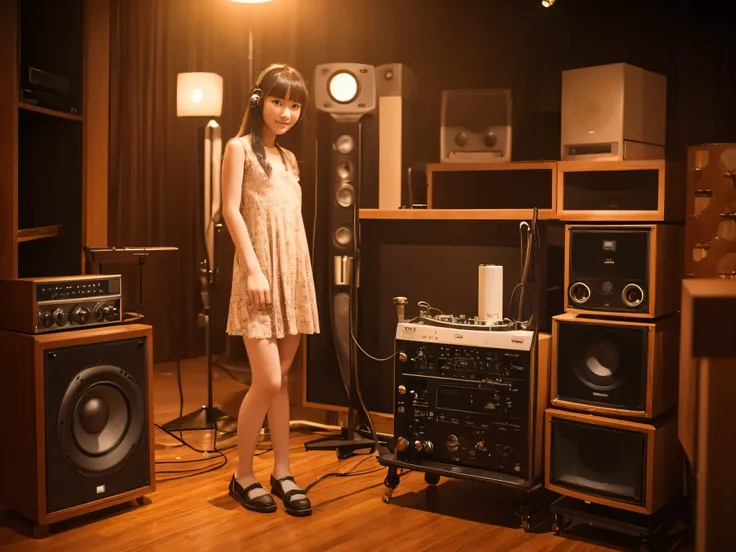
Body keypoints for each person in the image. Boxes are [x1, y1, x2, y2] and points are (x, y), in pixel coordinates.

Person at [221, 63, 319, 517]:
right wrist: (255, 270)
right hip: (257, 275)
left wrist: (298, 276)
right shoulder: (238, 148)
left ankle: (282, 471)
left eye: (295, 105)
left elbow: (290, 223)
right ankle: (242, 476)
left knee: (283, 385)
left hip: (293, 274)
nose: (286, 112)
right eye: (279, 102)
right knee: (269, 380)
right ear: (261, 100)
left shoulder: (289, 159)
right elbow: (230, 212)